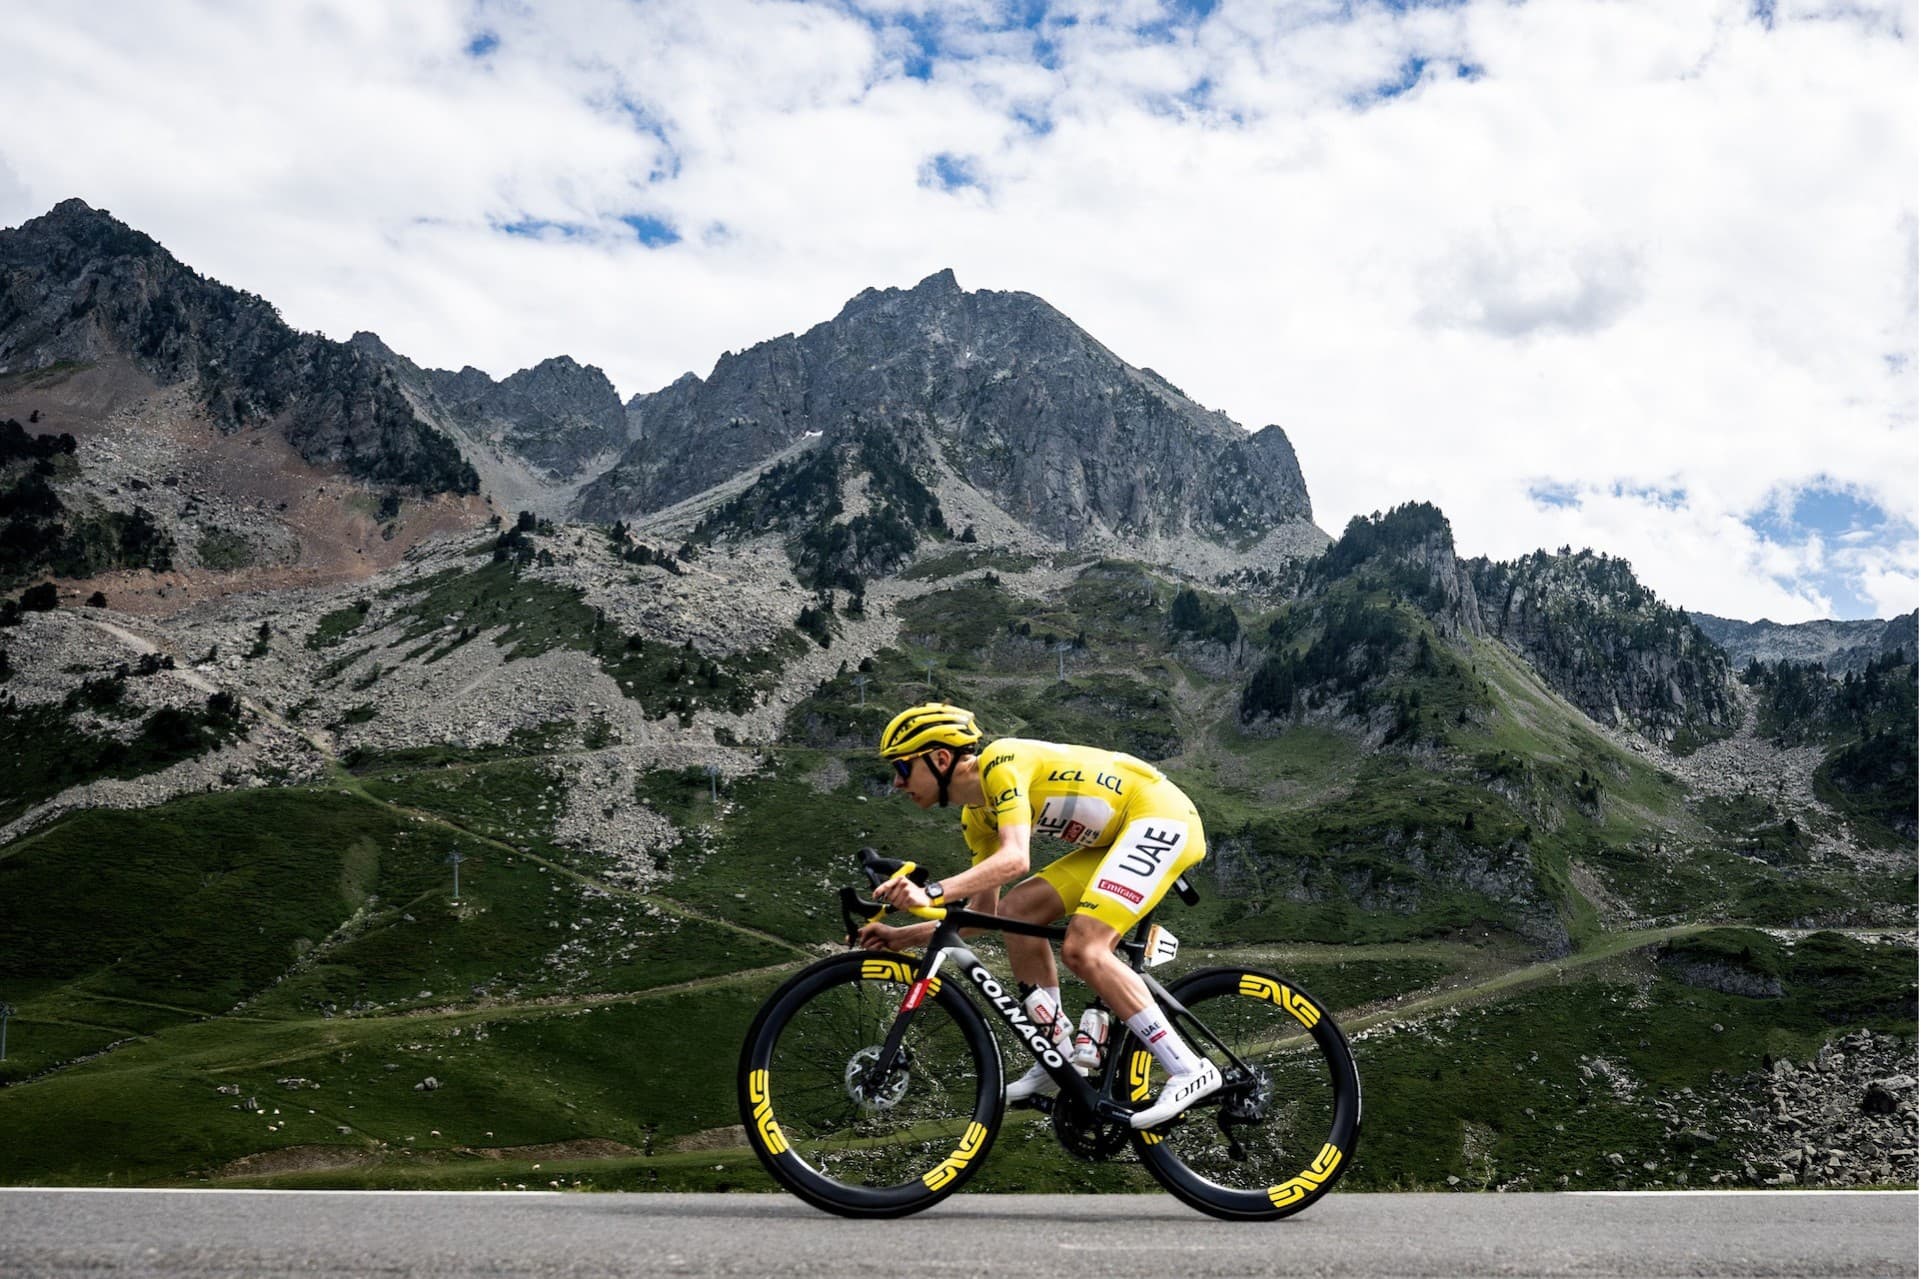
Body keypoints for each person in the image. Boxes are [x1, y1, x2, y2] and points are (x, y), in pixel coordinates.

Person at [858, 702, 1220, 1129]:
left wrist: (930, 892)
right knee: (1018, 909)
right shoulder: (976, 817)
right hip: (1118, 836)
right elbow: (983, 915)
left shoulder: (1001, 762)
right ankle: (1057, 1054)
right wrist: (903, 936)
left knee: (1084, 948)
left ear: (940, 759)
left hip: (1160, 815)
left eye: (902, 767)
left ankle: (1189, 1068)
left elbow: (1016, 859)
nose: (897, 782)